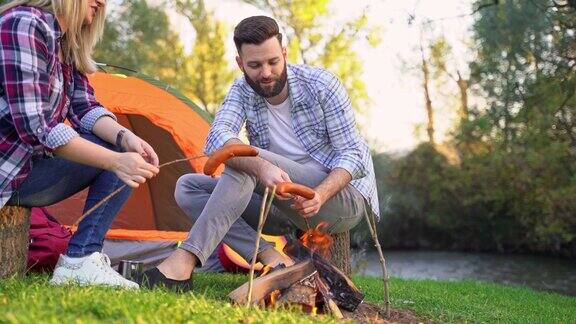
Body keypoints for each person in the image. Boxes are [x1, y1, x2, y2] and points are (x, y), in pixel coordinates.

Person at [138, 15, 379, 292]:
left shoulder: (322, 85)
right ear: (240, 63)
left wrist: (321, 194)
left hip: (338, 199)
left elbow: (353, 155)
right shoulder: (241, 91)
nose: (265, 72)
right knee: (188, 187)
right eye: (254, 65)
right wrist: (262, 169)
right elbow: (216, 138)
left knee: (243, 157)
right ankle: (271, 257)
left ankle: (183, 262)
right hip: (278, 201)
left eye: (273, 62)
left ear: (284, 54)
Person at [0, 0, 160, 288]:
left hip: (26, 170)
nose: (100, 2)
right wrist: (115, 161)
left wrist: (128, 139)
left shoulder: (66, 41)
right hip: (6, 172)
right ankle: (80, 259)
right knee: (118, 156)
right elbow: (38, 129)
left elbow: (85, 108)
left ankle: (81, 260)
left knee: (123, 149)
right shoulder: (25, 23)